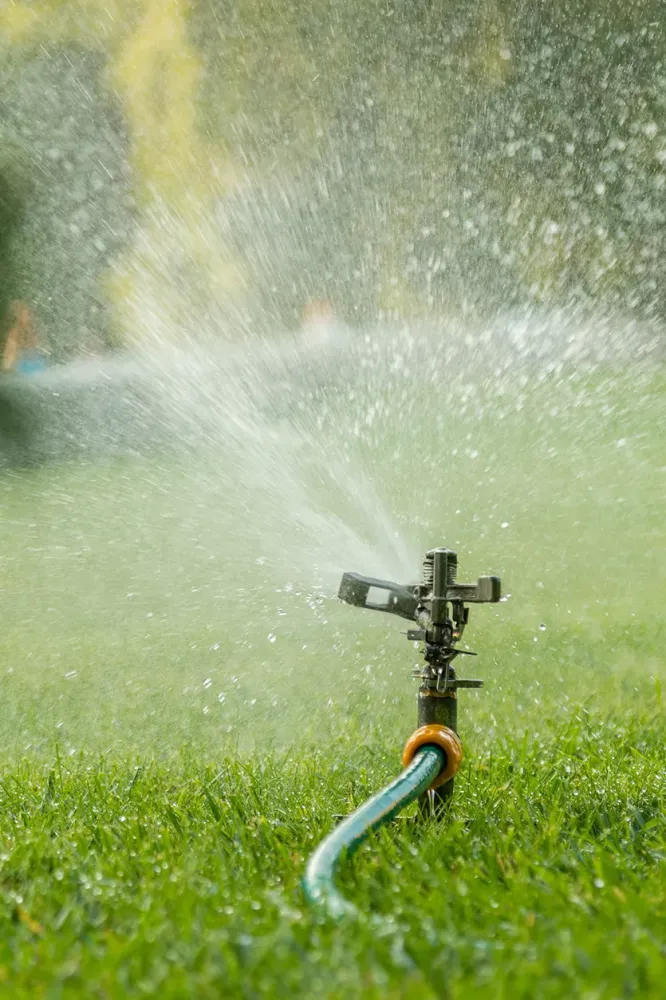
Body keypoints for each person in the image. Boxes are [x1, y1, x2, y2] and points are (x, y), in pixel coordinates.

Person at [2, 301, 46, 374]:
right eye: (28, 314)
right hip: (24, 366)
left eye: (30, 314)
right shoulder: (15, 331)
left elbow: (38, 346)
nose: (31, 316)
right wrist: (7, 368)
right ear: (19, 316)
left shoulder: (30, 328)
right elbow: (9, 353)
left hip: (32, 363)